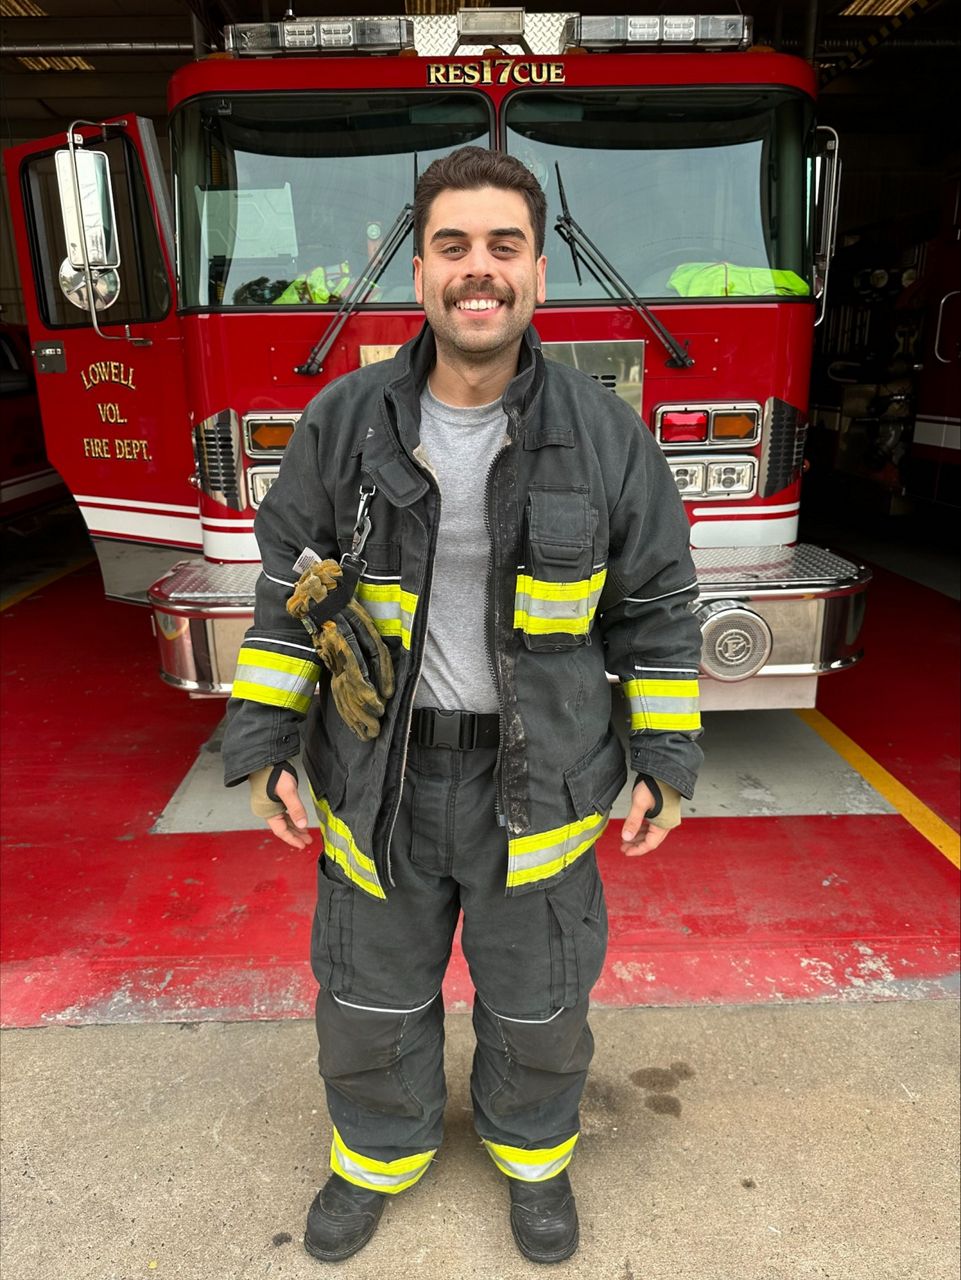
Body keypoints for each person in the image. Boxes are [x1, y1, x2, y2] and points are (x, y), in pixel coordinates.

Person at [222, 146, 703, 1266]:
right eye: (451, 246)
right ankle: (373, 1155)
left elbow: (659, 609)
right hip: (374, 781)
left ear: (537, 270)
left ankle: (532, 1157)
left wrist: (664, 757)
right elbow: (291, 594)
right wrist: (265, 744)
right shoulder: (345, 423)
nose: (475, 269)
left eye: (501, 246)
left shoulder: (603, 434)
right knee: (367, 999)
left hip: (540, 790)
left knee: (540, 1004)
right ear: (419, 270)